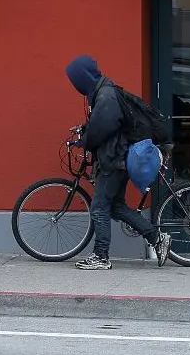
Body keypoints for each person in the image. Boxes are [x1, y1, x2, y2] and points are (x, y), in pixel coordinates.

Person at [65, 55, 172, 271]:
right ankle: (157, 238)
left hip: (114, 160)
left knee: (98, 207)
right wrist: (86, 130)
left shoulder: (105, 95)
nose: (75, 85)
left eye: (75, 80)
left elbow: (103, 127)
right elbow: (104, 124)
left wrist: (84, 141)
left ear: (82, 78)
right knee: (116, 207)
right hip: (118, 158)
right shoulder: (102, 92)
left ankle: (101, 256)